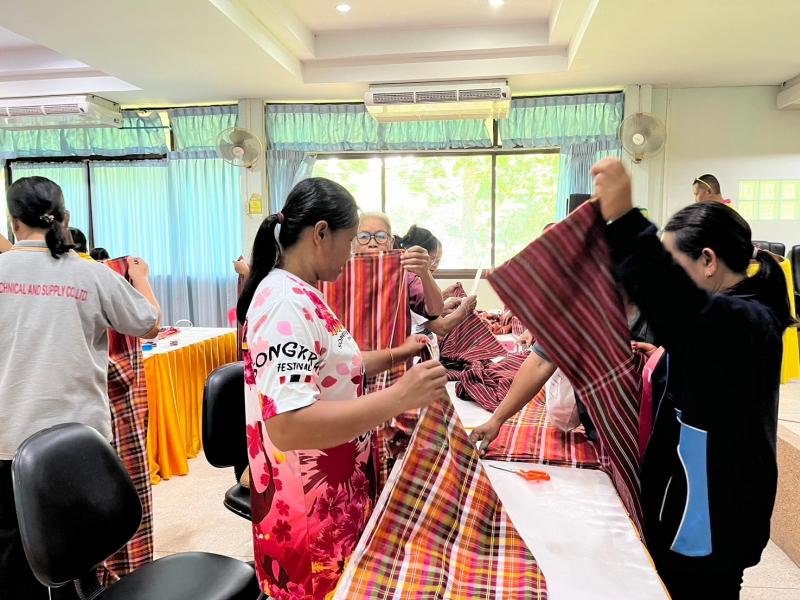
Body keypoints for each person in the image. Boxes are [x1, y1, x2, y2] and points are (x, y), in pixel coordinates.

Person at [237, 177, 447, 600]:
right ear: (320, 233)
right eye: (351, 241)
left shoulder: (303, 292)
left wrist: (399, 353)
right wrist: (399, 397)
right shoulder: (284, 304)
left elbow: (335, 365)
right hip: (306, 507)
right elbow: (289, 426)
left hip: (331, 493)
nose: (352, 254)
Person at [592, 158, 793, 599]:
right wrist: (661, 358)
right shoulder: (734, 316)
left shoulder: (750, 320)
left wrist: (624, 220)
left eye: (673, 263)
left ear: (707, 260)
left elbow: (679, 308)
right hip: (698, 504)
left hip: (711, 514)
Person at [0, 176, 161, 599]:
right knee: (79, 556)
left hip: (7, 442)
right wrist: (141, 278)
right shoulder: (89, 273)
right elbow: (148, 323)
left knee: (13, 557)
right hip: (76, 447)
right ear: (64, 217)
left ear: (14, 222)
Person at [356, 212, 444, 319]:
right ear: (353, 243)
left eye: (381, 236)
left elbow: (435, 310)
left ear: (391, 242)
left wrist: (425, 273)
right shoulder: (340, 273)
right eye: (364, 237)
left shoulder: (405, 275)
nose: (372, 243)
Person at [397, 225, 477, 339]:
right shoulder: (412, 282)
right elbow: (442, 327)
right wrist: (465, 308)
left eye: (437, 261)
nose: (434, 265)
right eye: (432, 259)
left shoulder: (413, 279)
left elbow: (422, 314)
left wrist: (444, 297)